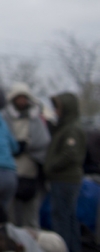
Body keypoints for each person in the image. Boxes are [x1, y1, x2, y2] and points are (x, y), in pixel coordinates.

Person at [2, 82, 51, 228]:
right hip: (10, 166)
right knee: (10, 208)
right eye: (19, 98)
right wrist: (14, 146)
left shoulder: (34, 118)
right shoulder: (5, 117)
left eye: (24, 98)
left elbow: (43, 139)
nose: (22, 101)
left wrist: (28, 146)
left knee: (30, 208)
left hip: (30, 168)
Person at [45, 92, 87, 252]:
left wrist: (51, 166)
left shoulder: (72, 129)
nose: (56, 111)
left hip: (65, 179)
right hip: (66, 179)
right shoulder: (65, 127)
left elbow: (71, 154)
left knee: (62, 218)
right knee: (68, 218)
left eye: (58, 107)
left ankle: (64, 248)